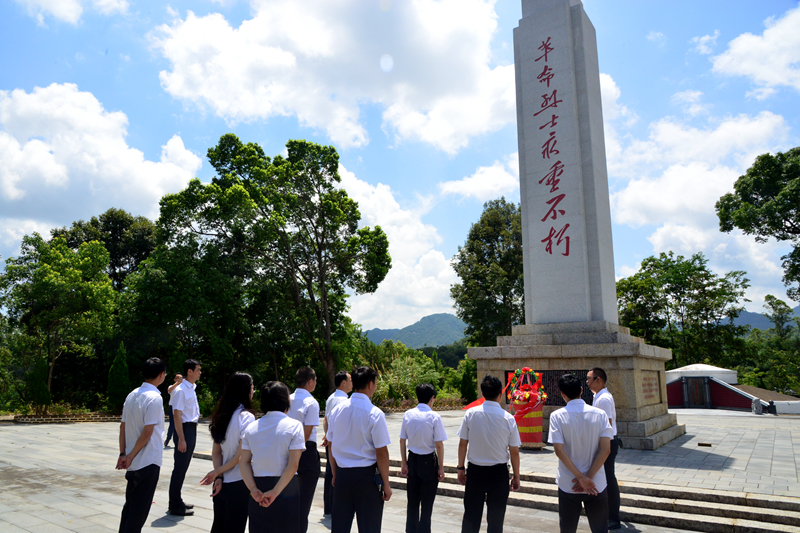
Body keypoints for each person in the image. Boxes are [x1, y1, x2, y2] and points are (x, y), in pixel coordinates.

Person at [326, 366, 392, 533]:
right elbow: (381, 452)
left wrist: (335, 474)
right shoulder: (374, 413)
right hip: (366, 478)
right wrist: (386, 482)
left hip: (343, 476)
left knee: (340, 526)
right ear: (370, 384)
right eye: (375, 383)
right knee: (369, 527)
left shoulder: (337, 411)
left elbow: (331, 444)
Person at [457, 375, 521, 533]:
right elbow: (514, 452)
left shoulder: (471, 414)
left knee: (471, 517)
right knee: (496, 521)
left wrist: (460, 468)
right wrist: (517, 476)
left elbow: (463, 443)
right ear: (501, 394)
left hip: (475, 472)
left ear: (482, 393)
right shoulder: (508, 419)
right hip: (498, 474)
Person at [548, 374, 612, 533]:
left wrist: (580, 478)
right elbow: (606, 449)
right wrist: (588, 477)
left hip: (569, 484)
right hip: (596, 483)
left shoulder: (557, 416)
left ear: (562, 394)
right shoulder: (600, 414)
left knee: (568, 529)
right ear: (582, 390)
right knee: (600, 529)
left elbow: (559, 451)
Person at [240, 381, 306, 533]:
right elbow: (293, 465)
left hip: (258, 486)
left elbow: (243, 462)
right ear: (285, 401)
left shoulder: (251, 427)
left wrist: (253, 489)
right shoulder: (294, 426)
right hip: (286, 486)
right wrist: (275, 492)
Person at [200, 372, 256, 533]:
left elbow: (216, 452)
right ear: (246, 390)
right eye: (252, 388)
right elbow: (241, 457)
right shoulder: (246, 417)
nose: (253, 392)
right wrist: (217, 473)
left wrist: (219, 475)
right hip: (239, 482)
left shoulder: (222, 415)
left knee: (219, 526)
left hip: (221, 484)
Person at [117, 357, 167, 533]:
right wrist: (129, 456)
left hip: (132, 460)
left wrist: (123, 453)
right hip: (148, 460)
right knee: (139, 511)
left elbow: (122, 427)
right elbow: (148, 432)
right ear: (161, 375)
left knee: (130, 506)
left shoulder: (132, 394)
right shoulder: (154, 398)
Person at [399, 383, 448, 533]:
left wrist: (404, 462)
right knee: (427, 503)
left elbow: (402, 440)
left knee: (412, 502)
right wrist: (441, 467)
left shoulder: (408, 414)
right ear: (432, 398)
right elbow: (439, 445)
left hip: (412, 459)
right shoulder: (434, 416)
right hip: (428, 462)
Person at [587, 367, 620, 530]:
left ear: (598, 380)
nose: (587, 382)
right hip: (605, 441)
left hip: (607, 442)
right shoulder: (598, 397)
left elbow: (607, 424)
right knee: (607, 478)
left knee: (609, 479)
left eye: (589, 379)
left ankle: (613, 517)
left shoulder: (604, 399)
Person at [289, 367, 321, 533]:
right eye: (315, 380)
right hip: (305, 451)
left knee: (289, 500)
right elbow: (307, 433)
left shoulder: (287, 399)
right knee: (304, 502)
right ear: (310, 382)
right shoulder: (311, 402)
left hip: (287, 450)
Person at [168, 358, 202, 516]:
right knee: (180, 468)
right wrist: (181, 439)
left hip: (191, 429)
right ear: (190, 371)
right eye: (198, 370)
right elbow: (177, 416)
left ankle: (177, 500)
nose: (200, 373)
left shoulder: (191, 388)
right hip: (184, 430)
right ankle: (174, 504)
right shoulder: (181, 390)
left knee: (183, 467)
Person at [322, 370, 352, 516]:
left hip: (331, 440)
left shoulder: (331, 398)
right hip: (340, 442)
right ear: (344, 383)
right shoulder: (345, 402)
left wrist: (327, 436)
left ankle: (328, 506)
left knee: (329, 472)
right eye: (350, 380)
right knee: (337, 474)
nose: (352, 383)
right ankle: (337, 507)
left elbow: (326, 419)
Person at [164, 373, 183, 448]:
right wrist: (177, 383)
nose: (180, 379)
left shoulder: (183, 388)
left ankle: (179, 440)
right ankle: (168, 439)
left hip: (181, 408)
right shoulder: (172, 386)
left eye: (181, 378)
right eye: (178, 378)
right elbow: (169, 390)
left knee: (180, 424)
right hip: (173, 407)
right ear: (175, 379)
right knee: (172, 424)